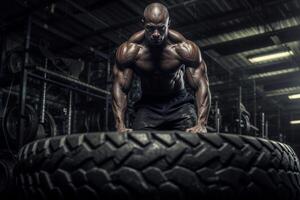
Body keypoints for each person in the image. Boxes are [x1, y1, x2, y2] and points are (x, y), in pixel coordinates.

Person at [112, 3, 211, 133]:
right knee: (138, 145)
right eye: (151, 28)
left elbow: (201, 85)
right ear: (143, 23)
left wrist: (201, 123)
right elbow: (121, 88)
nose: (156, 34)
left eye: (161, 28)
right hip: (148, 105)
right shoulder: (130, 52)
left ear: (169, 24)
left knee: (193, 142)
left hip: (179, 104)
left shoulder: (184, 49)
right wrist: (120, 125)